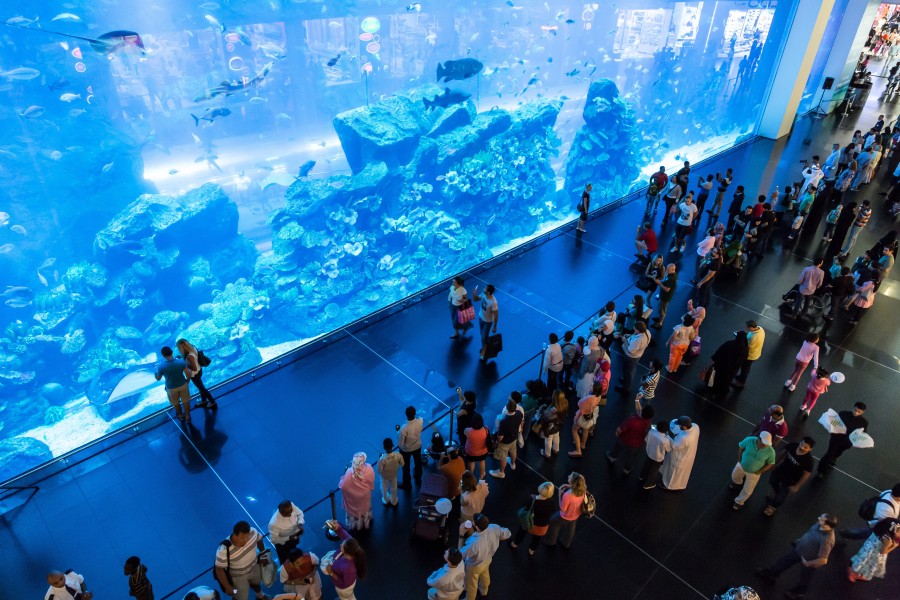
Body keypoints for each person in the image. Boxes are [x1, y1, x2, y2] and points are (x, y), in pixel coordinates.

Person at [755, 514, 838, 599]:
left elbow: (823, 560)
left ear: (827, 525)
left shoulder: (827, 540)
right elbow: (810, 533)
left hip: (809, 558)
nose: (818, 518)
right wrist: (799, 541)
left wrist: (808, 563)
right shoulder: (818, 524)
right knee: (785, 560)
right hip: (799, 549)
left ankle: (800, 592)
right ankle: (772, 573)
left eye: (821, 519)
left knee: (805, 576)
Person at [213, 521, 268, 600]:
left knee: (256, 583)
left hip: (254, 567)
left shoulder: (253, 532)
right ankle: (236, 596)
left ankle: (260, 595)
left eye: (247, 537)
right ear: (235, 535)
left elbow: (259, 539)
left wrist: (263, 554)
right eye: (242, 538)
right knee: (240, 596)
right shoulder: (223, 549)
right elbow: (219, 569)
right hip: (238, 576)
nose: (245, 541)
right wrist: (228, 587)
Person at [460, 513, 511, 599]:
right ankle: (484, 591)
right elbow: (507, 533)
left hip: (474, 566)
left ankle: (470, 598)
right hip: (488, 559)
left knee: (471, 584)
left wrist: (461, 534)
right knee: (485, 574)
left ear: (476, 526)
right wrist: (498, 537)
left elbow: (461, 555)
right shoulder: (494, 527)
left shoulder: (474, 543)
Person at [762, 437, 815, 517]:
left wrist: (797, 486)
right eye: (801, 444)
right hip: (781, 470)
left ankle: (772, 507)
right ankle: (775, 491)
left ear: (810, 449)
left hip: (791, 479)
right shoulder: (793, 445)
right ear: (800, 442)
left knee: (782, 494)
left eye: (805, 447)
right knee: (772, 481)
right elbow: (783, 453)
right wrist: (774, 464)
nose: (801, 447)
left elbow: (807, 474)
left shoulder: (809, 460)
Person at [816, 402, 868, 478]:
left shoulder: (864, 422)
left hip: (847, 442)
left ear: (863, 412)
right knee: (829, 454)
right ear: (853, 407)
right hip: (836, 439)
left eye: (859, 412)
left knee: (839, 452)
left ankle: (834, 458)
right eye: (855, 410)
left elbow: (862, 433)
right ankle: (820, 471)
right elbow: (834, 423)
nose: (856, 412)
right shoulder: (843, 414)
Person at [730, 432, 776, 511]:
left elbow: (770, 463)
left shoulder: (771, 451)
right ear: (759, 438)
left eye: (767, 443)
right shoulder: (749, 440)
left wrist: (760, 472)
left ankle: (739, 502)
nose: (765, 445)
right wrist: (739, 459)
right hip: (741, 465)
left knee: (748, 489)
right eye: (763, 442)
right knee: (734, 476)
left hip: (754, 473)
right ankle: (737, 483)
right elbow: (741, 447)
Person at [509, 482, 556, 555]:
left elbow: (524, 504)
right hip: (542, 526)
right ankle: (532, 550)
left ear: (541, 488)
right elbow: (553, 510)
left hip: (528, 521)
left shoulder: (531, 499)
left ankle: (515, 544)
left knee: (521, 532)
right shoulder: (552, 503)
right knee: (537, 538)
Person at [323, 521, 367, 600]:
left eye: (342, 546)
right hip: (343, 584)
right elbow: (342, 532)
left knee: (347, 598)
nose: (340, 545)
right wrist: (336, 527)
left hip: (344, 589)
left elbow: (344, 584)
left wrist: (331, 573)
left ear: (346, 552)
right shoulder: (350, 543)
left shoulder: (349, 569)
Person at [848, 518, 900, 583]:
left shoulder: (893, 523)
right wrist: (894, 546)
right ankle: (853, 573)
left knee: (862, 558)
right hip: (875, 552)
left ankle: (854, 569)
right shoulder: (888, 539)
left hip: (871, 543)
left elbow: (881, 520)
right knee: (866, 562)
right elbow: (883, 551)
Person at [606, 405, 655, 474]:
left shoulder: (632, 420)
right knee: (631, 457)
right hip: (637, 444)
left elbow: (620, 429)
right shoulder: (648, 422)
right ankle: (627, 469)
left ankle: (612, 457)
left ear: (642, 411)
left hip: (624, 439)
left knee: (617, 448)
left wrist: (617, 433)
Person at [544, 472, 587, 547]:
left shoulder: (567, 495)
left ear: (573, 482)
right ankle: (566, 543)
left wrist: (559, 494)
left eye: (570, 476)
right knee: (571, 527)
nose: (568, 476)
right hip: (576, 514)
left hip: (565, 516)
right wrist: (569, 486)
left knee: (553, 523)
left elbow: (562, 509)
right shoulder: (582, 490)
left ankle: (551, 541)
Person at [154, 345, 194, 422]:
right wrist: (187, 381)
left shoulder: (161, 366)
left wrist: (155, 373)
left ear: (163, 355)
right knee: (185, 401)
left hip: (171, 388)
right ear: (172, 352)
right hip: (183, 385)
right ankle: (188, 416)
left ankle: (180, 415)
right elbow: (188, 374)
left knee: (176, 403)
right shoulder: (181, 361)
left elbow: (158, 378)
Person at [705, 331, 748, 402]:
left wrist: (713, 360)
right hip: (732, 370)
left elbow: (719, 352)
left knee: (715, 377)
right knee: (726, 381)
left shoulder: (729, 343)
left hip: (721, 366)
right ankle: (722, 391)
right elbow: (743, 360)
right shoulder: (745, 349)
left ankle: (712, 389)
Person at [661, 416, 700, 491]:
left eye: (680, 425)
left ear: (685, 427)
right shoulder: (695, 426)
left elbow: (675, 446)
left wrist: (667, 436)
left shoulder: (684, 439)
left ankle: (669, 486)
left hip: (680, 457)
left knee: (673, 472)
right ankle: (677, 485)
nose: (679, 426)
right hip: (688, 455)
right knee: (680, 474)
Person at [338, 452, 375, 530]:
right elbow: (371, 480)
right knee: (365, 509)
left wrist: (342, 478)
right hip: (365, 495)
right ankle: (366, 522)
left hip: (354, 498)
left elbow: (343, 486)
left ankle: (356, 524)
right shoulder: (369, 468)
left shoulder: (349, 472)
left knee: (354, 511)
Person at [176, 338, 216, 409]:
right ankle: (204, 400)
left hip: (195, 374)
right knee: (200, 388)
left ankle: (212, 402)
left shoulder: (189, 356)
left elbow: (193, 368)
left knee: (202, 388)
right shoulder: (193, 348)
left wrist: (184, 364)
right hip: (199, 370)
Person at [568, 382, 602, 457]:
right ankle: (583, 444)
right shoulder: (599, 396)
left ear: (594, 389)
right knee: (585, 429)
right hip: (589, 417)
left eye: (592, 386)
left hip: (583, 417)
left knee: (574, 430)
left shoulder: (589, 398)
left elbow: (579, 403)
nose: (590, 386)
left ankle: (578, 451)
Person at [490, 399, 522, 478]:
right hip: (514, 438)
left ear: (507, 408)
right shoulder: (519, 413)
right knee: (513, 452)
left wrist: (497, 441)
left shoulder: (504, 421)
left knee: (503, 457)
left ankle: (501, 473)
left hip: (505, 442)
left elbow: (500, 436)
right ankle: (512, 464)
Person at [615, 322, 651, 393]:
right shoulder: (647, 332)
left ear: (638, 330)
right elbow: (636, 337)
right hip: (637, 356)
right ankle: (626, 379)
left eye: (635, 329)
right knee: (631, 369)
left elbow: (631, 350)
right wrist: (631, 335)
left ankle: (626, 388)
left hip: (631, 357)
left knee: (628, 371)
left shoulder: (638, 340)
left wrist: (625, 340)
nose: (634, 330)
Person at [640, 419, 672, 490]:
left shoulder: (651, 431)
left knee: (646, 465)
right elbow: (669, 449)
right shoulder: (665, 440)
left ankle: (641, 476)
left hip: (649, 452)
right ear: (666, 430)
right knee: (653, 471)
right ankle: (648, 484)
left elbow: (646, 440)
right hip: (658, 457)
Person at [459, 471, 490, 544]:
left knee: (468, 525)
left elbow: (462, 503)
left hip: (468, 513)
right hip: (478, 508)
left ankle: (472, 539)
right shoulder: (483, 484)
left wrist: (461, 491)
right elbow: (487, 493)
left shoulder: (466, 496)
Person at [397, 406, 424, 489]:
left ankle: (407, 484)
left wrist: (397, 432)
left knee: (406, 467)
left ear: (406, 414)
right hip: (417, 446)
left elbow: (401, 444)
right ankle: (418, 479)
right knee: (418, 463)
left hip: (406, 450)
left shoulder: (403, 429)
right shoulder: (420, 420)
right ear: (415, 413)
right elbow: (419, 417)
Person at [536, 389, 568, 458]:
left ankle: (547, 454)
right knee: (556, 437)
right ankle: (556, 449)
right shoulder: (565, 403)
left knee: (548, 439)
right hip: (558, 425)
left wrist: (541, 409)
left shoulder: (553, 410)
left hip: (549, 428)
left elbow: (544, 417)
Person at [733, 321, 764, 389]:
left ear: (752, 327)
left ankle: (741, 383)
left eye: (748, 327)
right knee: (745, 367)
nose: (746, 328)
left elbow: (747, 347)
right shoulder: (760, 329)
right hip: (756, 352)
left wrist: (740, 340)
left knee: (745, 369)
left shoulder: (754, 337)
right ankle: (741, 377)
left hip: (750, 356)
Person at [471, 284, 499, 360]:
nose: (483, 289)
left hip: (488, 322)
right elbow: (476, 299)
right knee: (482, 335)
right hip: (481, 318)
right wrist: (474, 294)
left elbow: (496, 315)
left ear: (489, 292)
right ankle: (486, 345)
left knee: (483, 338)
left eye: (485, 288)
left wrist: (495, 326)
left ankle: (484, 350)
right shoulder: (483, 294)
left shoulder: (493, 302)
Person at [376, 438, 404, 506]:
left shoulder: (382, 459)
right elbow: (402, 464)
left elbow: (379, 471)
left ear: (384, 448)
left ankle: (386, 500)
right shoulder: (398, 455)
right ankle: (394, 501)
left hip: (384, 476)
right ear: (392, 445)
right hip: (394, 475)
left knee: (384, 488)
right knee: (394, 487)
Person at [650, 264, 677, 329]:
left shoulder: (671, 279)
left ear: (672, 269)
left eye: (668, 269)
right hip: (663, 295)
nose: (666, 270)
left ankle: (659, 323)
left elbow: (667, 289)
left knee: (662, 310)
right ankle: (659, 318)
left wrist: (659, 283)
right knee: (660, 308)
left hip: (665, 297)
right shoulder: (672, 274)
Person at [464, 413, 490, 480]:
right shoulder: (486, 429)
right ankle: (482, 475)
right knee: (482, 461)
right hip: (483, 451)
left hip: (471, 452)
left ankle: (471, 474)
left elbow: (464, 433)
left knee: (471, 462)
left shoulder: (468, 431)